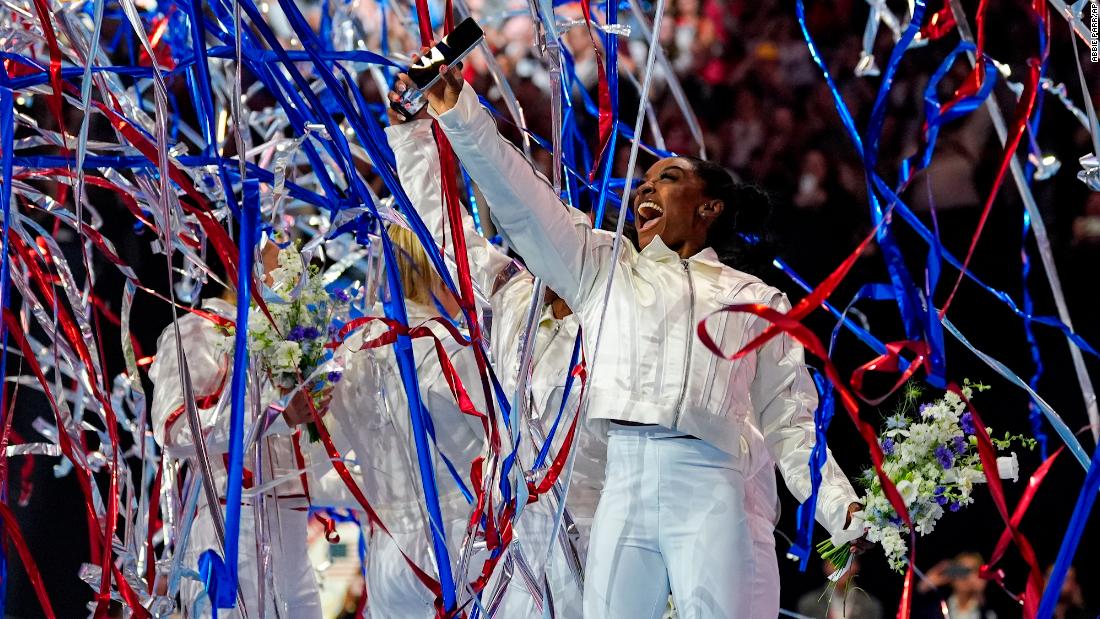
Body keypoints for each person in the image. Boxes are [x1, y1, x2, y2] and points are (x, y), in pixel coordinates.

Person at [395, 60, 866, 619]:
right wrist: (459, 110)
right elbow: (520, 197)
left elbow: (790, 418)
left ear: (708, 207)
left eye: (666, 178)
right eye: (643, 181)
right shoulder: (602, 269)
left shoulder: (755, 299)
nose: (646, 185)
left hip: (709, 483)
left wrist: (841, 506)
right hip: (623, 477)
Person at [384, 101, 596, 618]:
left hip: (597, 535)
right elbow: (438, 224)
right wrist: (413, 132)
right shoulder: (510, 292)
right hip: (515, 536)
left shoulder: (614, 310)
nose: (546, 243)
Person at [312, 225, 488, 618]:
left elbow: (320, 467)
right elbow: (501, 446)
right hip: (462, 545)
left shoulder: (351, 351)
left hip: (391, 556)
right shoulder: (447, 341)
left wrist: (378, 495)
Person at [148, 242, 325, 618]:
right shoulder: (197, 330)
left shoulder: (289, 339)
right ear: (240, 262)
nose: (294, 266)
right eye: (280, 254)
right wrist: (275, 415)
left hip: (293, 527)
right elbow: (175, 429)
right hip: (232, 524)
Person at [913, 553, 998, 619]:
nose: (965, 577)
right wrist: (923, 586)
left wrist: (981, 593)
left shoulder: (988, 613)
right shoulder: (935, 609)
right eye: (961, 570)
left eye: (971, 570)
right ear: (952, 573)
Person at [796, 557, 884, 619]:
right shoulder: (808, 604)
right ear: (825, 566)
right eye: (835, 562)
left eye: (847, 562)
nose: (841, 569)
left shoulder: (871, 606)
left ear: (856, 566)